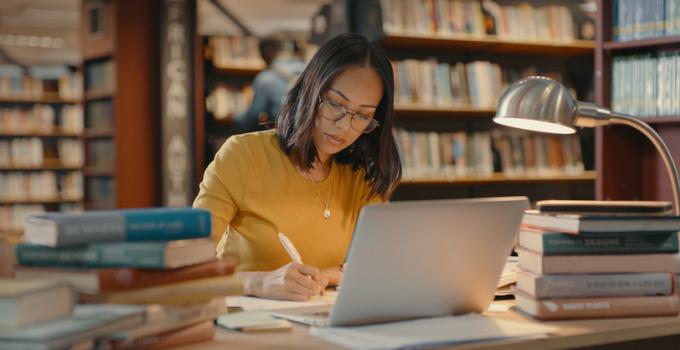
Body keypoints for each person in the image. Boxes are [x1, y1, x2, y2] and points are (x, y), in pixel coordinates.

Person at [193, 33, 401, 301]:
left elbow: (379, 267)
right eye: (336, 104)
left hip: (321, 324)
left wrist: (328, 275)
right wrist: (259, 282)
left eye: (362, 116)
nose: (344, 126)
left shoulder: (363, 176)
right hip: (247, 326)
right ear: (310, 90)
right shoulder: (243, 155)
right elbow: (189, 266)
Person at [233, 35, 305, 132]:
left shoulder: (265, 79)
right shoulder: (306, 68)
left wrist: (237, 119)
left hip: (285, 133)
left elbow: (253, 116)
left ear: (266, 52)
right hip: (307, 131)